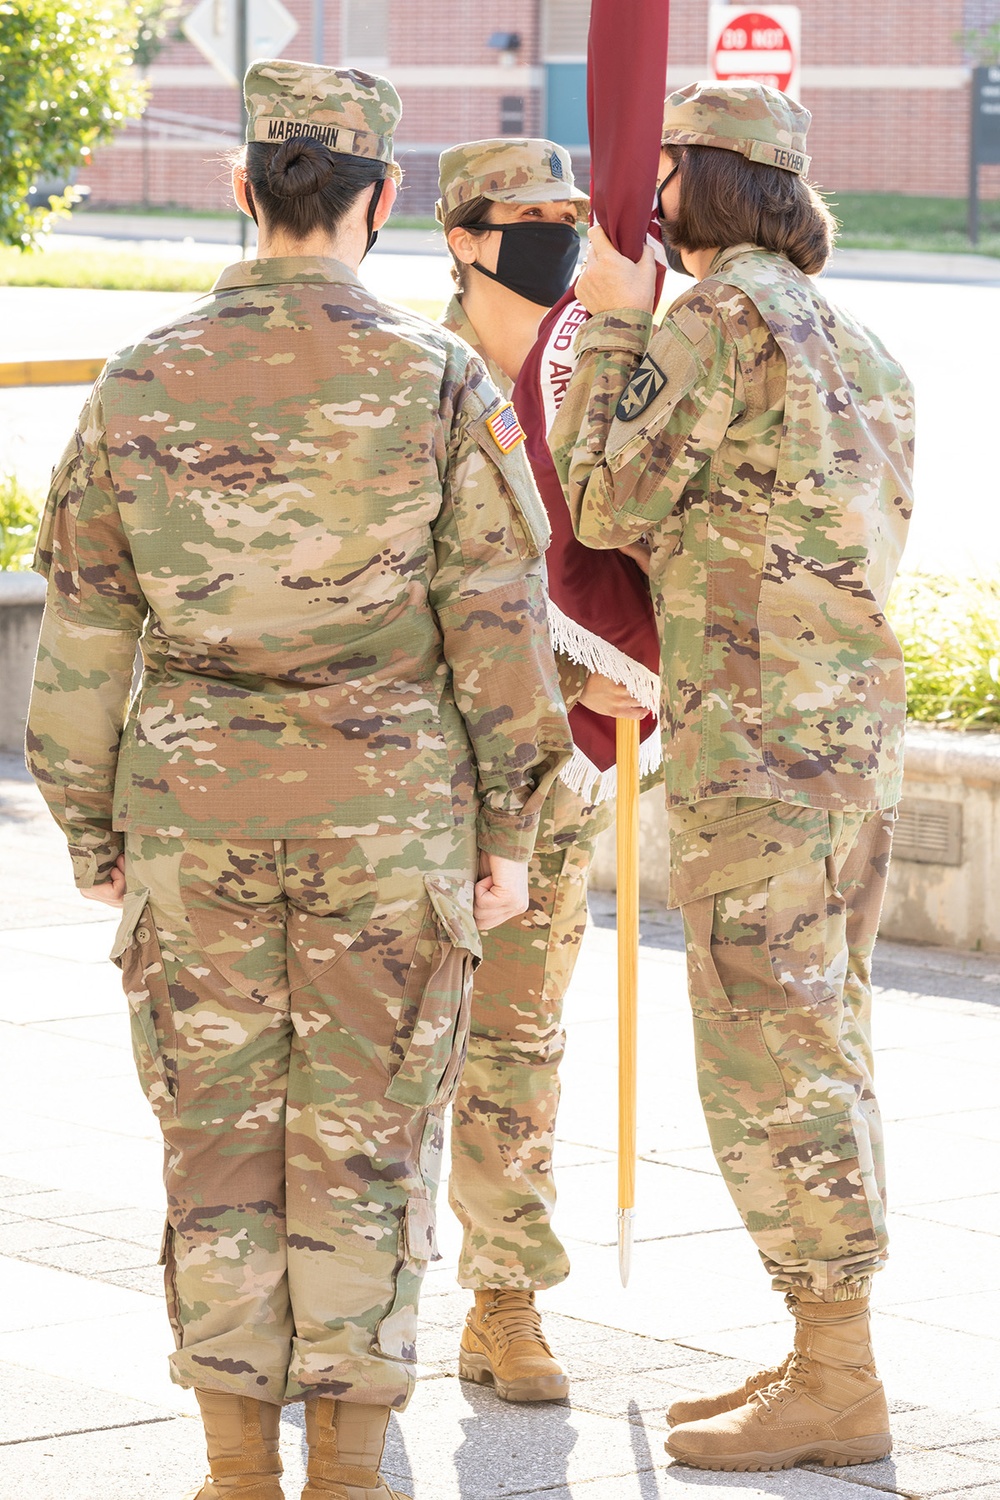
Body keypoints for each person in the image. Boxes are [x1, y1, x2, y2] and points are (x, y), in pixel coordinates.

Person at [27, 61, 573, 1500]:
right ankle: (344, 1468)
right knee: (367, 1142)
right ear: (384, 201)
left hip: (192, 822)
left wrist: (89, 823)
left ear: (242, 187)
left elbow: (85, 630)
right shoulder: (437, 379)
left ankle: (233, 1470)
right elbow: (497, 625)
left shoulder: (141, 376)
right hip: (389, 828)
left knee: (216, 1145)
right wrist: (513, 821)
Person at [551, 82, 914, 1473]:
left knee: (772, 1051)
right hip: (849, 740)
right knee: (826, 1037)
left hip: (761, 745)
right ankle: (829, 1352)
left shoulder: (712, 319)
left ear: (694, 187)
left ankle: (837, 1369)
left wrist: (623, 323)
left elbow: (607, 500)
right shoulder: (861, 338)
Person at [436, 138, 647, 1403]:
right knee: (377, 1052)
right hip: (424, 775)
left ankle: (505, 1303)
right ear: (463, 236)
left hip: (550, 790)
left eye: (571, 212)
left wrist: (638, 667)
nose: (559, 233)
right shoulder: (419, 379)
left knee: (517, 1041)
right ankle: (353, 1300)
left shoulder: (595, 371)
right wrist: (570, 678)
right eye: (529, 215)